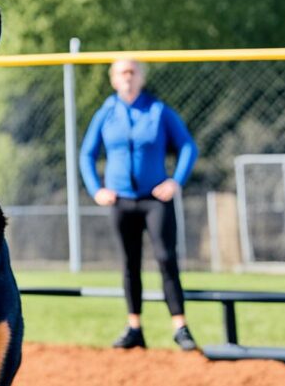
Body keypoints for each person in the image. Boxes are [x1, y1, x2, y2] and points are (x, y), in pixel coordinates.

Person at [79, 59, 199, 351]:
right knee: (129, 263)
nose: (128, 78)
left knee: (165, 258)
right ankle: (134, 327)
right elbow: (86, 154)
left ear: (141, 78)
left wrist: (175, 181)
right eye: (122, 73)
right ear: (113, 79)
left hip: (154, 200)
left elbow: (187, 146)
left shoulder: (158, 111)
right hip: (121, 201)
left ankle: (180, 327)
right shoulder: (106, 113)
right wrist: (97, 190)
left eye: (133, 72)